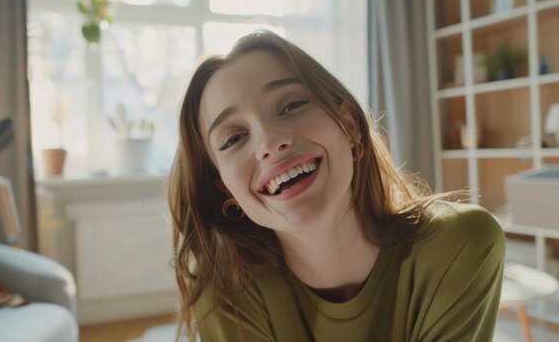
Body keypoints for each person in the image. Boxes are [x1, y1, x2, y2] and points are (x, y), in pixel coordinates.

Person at [168, 30, 505, 342]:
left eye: (290, 105)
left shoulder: (461, 244)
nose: (269, 142)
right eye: (234, 138)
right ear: (226, 190)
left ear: (350, 125)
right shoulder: (225, 291)